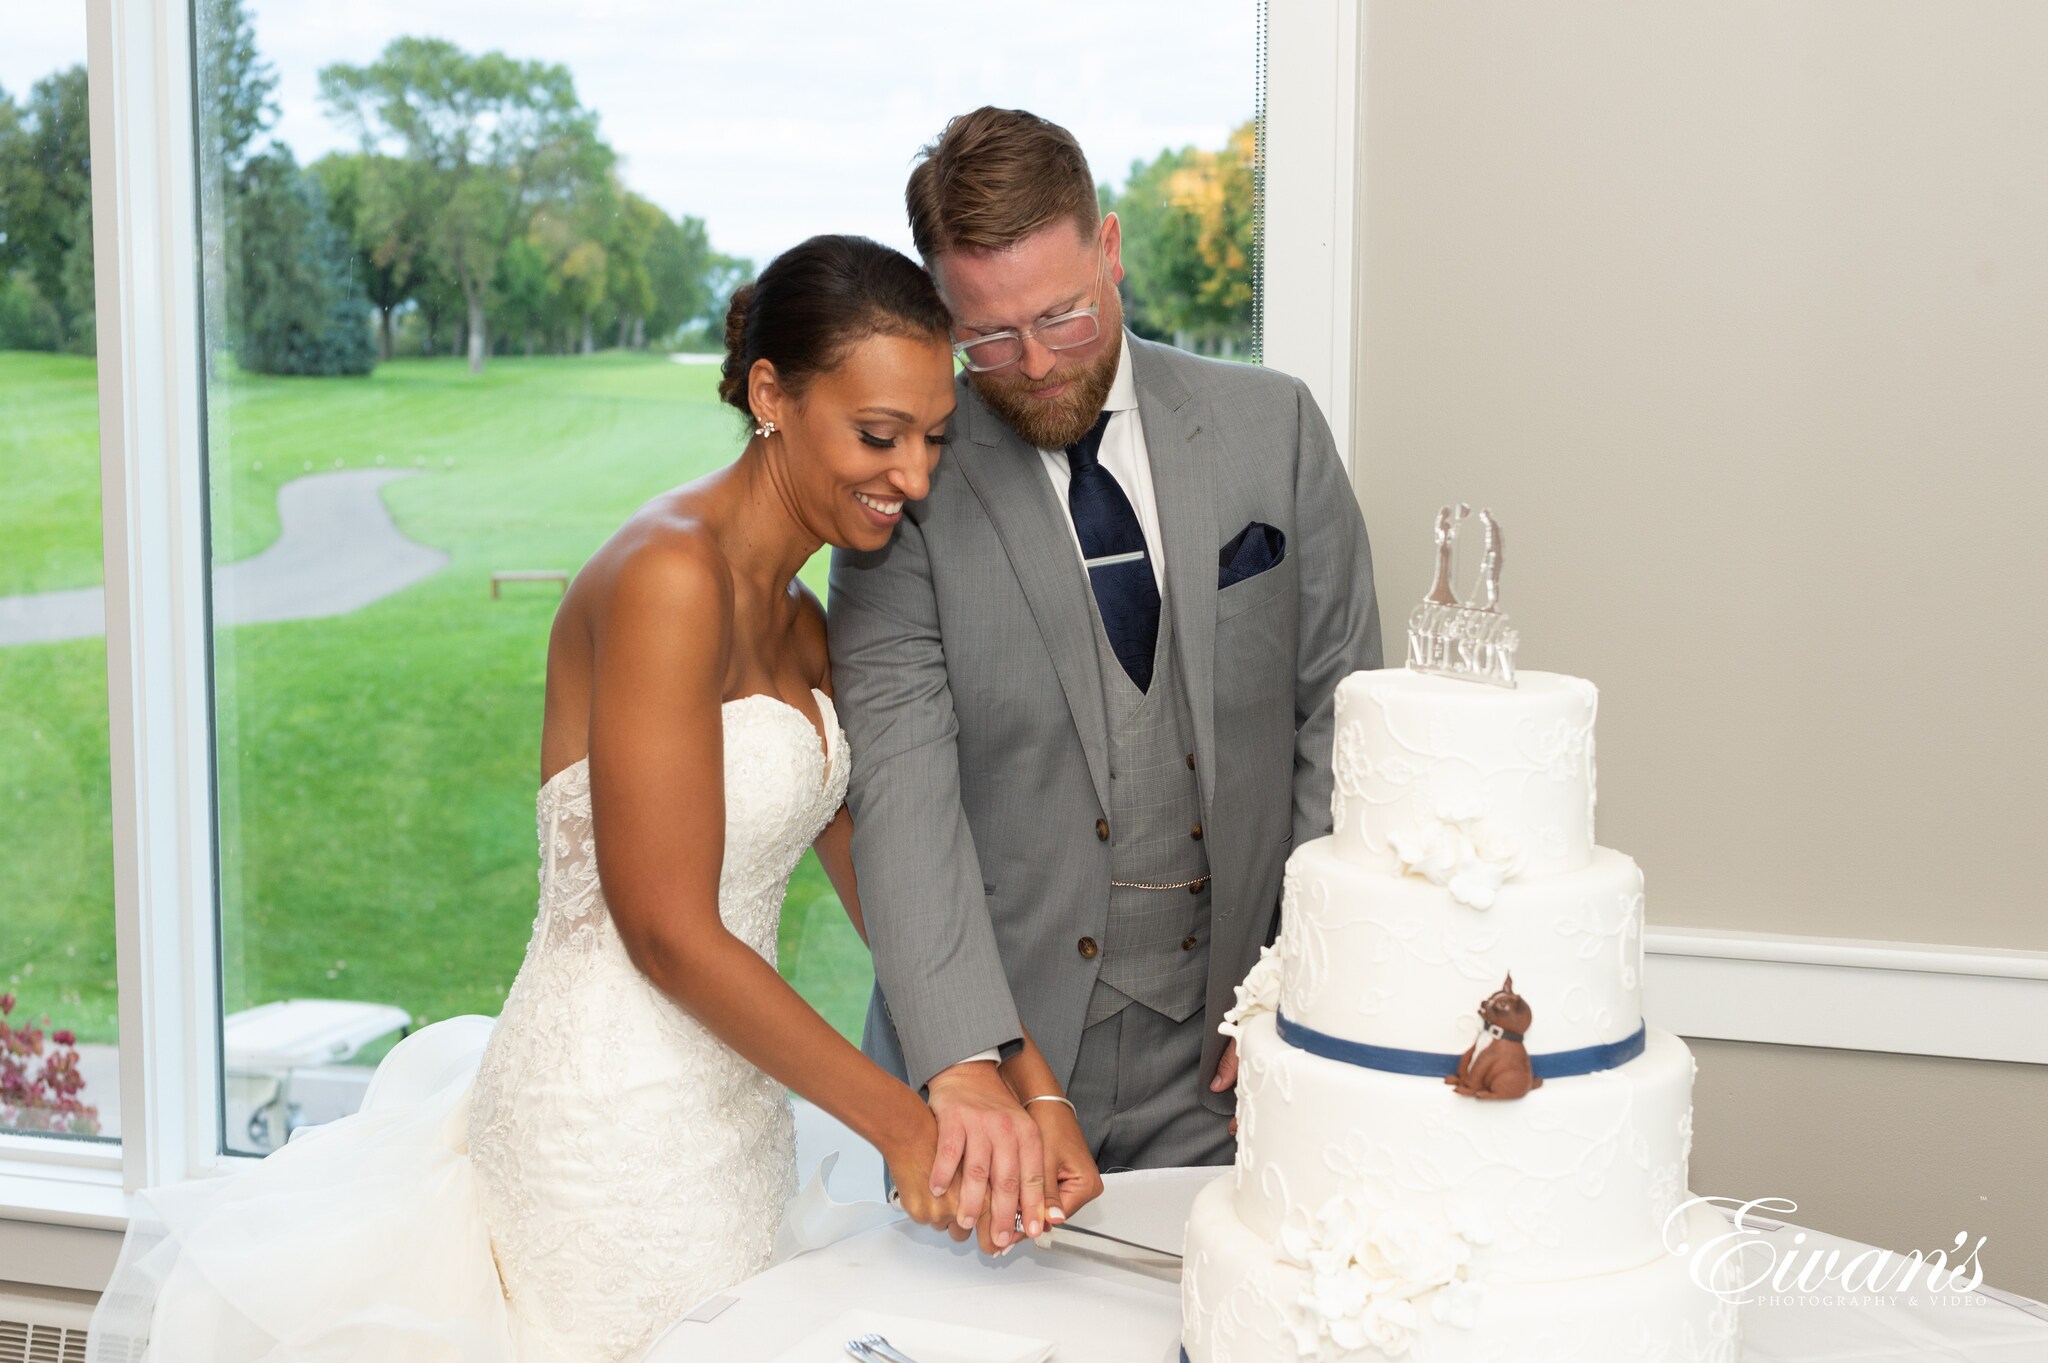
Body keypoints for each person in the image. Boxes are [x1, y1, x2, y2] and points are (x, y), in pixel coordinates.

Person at [86, 235, 1018, 1362]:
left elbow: (887, 883)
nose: (912, 477)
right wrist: (900, 1123)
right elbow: (666, 932)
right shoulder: (666, 580)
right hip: (605, 1132)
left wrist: (1008, 1079)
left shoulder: (802, 618)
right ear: (771, 392)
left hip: (732, 1120)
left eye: (932, 437)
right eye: (878, 436)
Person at [828, 107, 1383, 1254]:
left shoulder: (1269, 428)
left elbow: (1344, 723)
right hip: (990, 1083)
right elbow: (900, 801)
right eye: (985, 337)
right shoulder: (907, 495)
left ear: (1110, 247)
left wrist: (1301, 980)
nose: (1030, 364)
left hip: (1234, 1064)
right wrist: (967, 1062)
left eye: (1061, 317)